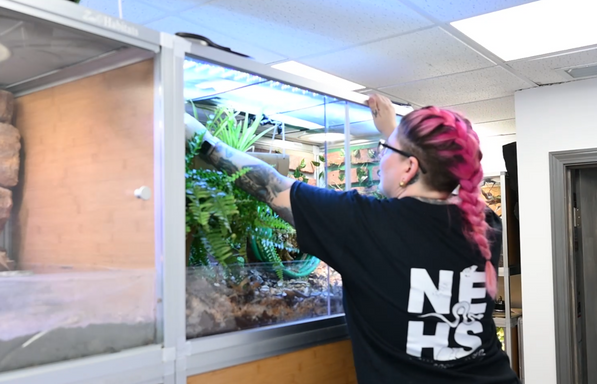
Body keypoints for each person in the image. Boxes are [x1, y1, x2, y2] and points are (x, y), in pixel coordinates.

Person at [192, 93, 521, 384]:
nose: (380, 159)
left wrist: (203, 141)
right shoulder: (484, 226)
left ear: (409, 168)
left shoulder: (366, 224)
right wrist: (395, 134)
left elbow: (271, 186)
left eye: (385, 149)